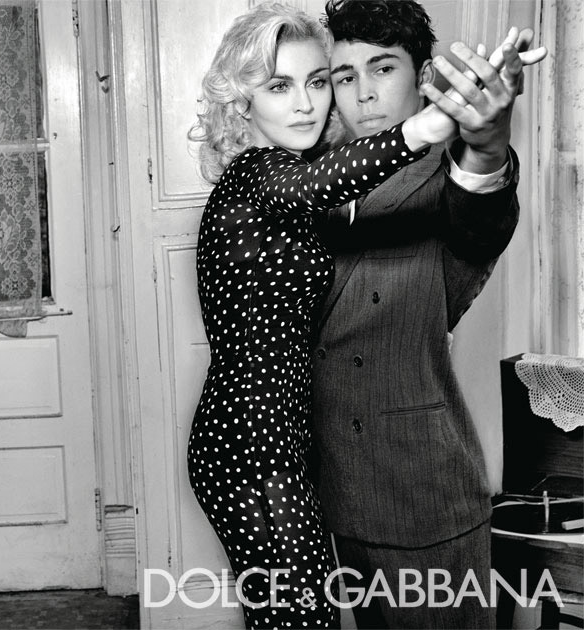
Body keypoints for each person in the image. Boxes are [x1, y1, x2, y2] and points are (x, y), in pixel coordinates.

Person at [185, 3, 493, 627]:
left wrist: (478, 142)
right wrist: (432, 123)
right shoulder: (258, 176)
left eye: (317, 82)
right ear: (243, 102)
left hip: (278, 443)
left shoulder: (291, 182)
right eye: (279, 86)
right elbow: (314, 186)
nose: (305, 104)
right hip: (252, 446)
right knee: (304, 620)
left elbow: (350, 197)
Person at [310, 1, 546, 628]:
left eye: (382, 68)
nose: (362, 93)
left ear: (421, 77)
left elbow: (479, 214)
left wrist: (487, 144)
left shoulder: (446, 176)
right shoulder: (315, 180)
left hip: (423, 497)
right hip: (337, 491)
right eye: (343, 76)